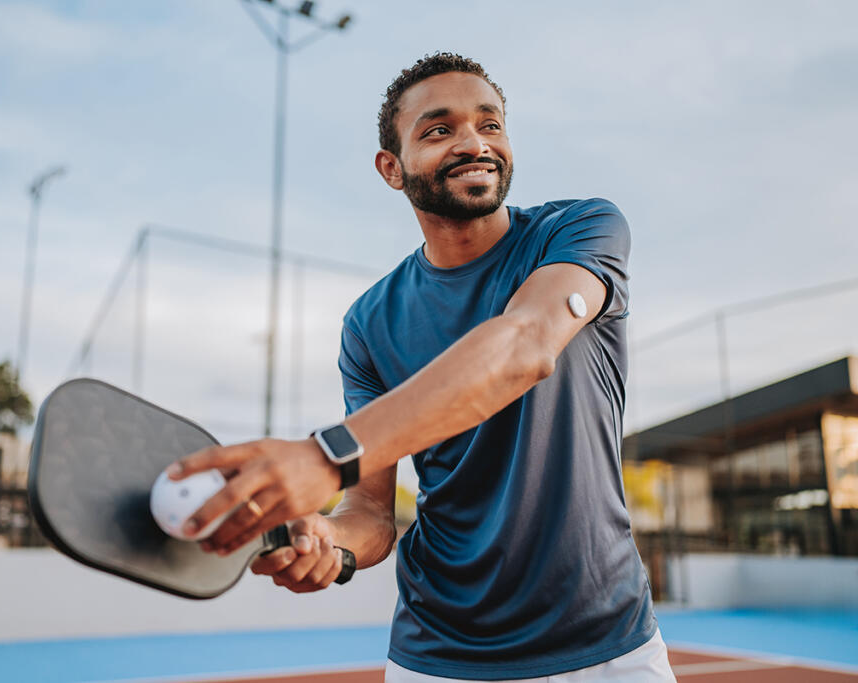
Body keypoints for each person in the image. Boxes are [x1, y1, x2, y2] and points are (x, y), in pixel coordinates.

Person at [169, 52, 676, 681]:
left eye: (489, 125)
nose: (473, 143)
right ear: (392, 167)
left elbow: (524, 345)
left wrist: (323, 456)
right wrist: (330, 544)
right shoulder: (370, 321)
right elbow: (372, 514)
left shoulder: (580, 228)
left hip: (606, 645)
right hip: (437, 654)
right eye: (439, 131)